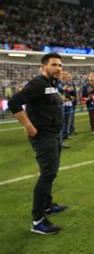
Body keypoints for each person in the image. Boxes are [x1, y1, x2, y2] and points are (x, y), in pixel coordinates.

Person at [8, 52, 68, 235]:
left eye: (60, 65)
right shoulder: (38, 84)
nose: (58, 68)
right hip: (43, 137)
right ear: (43, 66)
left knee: (50, 173)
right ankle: (38, 220)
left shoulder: (50, 84)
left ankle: (48, 206)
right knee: (47, 174)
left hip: (54, 134)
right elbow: (14, 102)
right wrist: (28, 126)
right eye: (54, 65)